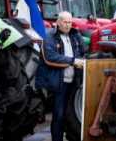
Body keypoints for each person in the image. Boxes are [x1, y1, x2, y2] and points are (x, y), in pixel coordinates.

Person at [36, 11, 85, 141]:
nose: (68, 25)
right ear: (58, 22)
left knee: (72, 115)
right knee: (59, 115)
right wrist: (73, 61)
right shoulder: (50, 37)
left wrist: (81, 61)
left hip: (75, 82)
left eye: (69, 22)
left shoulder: (75, 35)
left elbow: (83, 53)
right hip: (59, 84)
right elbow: (50, 57)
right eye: (65, 22)